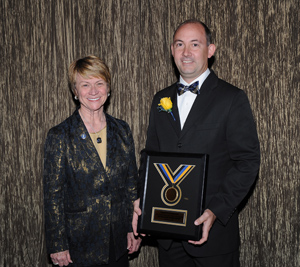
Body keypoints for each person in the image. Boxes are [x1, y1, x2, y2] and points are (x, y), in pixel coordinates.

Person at [132, 19, 260, 267]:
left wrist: (215, 211)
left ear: (210, 50)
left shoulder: (232, 98)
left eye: (195, 44)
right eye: (180, 44)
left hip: (214, 239)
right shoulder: (160, 99)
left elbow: (247, 162)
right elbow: (149, 157)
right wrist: (143, 200)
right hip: (168, 238)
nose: (186, 52)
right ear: (172, 50)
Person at [43, 55, 141, 267]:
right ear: (75, 92)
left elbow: (132, 186)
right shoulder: (59, 135)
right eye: (85, 85)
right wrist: (57, 243)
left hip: (118, 241)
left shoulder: (122, 130)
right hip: (78, 245)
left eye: (99, 83)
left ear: (108, 87)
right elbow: (52, 197)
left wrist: (134, 228)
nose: (94, 91)